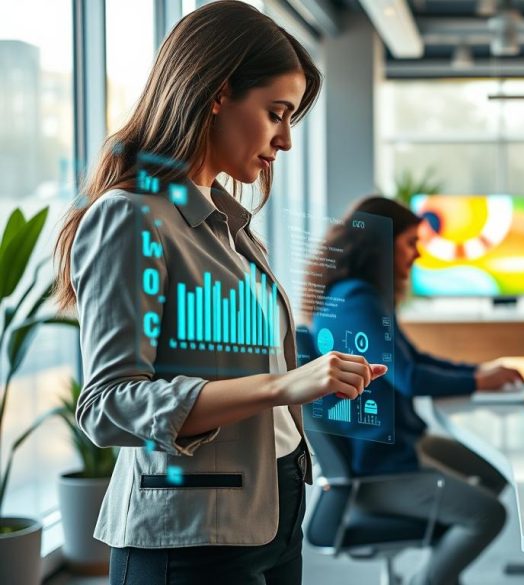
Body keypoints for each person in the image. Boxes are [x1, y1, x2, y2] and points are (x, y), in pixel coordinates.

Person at [53, 4, 385, 583]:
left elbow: (225, 364)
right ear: (216, 93)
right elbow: (108, 406)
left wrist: (318, 373)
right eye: (276, 113)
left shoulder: (227, 227)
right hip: (190, 534)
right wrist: (286, 384)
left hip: (273, 507)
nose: (284, 140)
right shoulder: (130, 219)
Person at [304, 196, 521, 585]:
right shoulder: (357, 302)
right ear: (381, 246)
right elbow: (410, 378)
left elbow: (414, 360)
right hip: (377, 469)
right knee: (489, 514)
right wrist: (477, 381)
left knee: (493, 470)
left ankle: (440, 556)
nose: (417, 254)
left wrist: (479, 372)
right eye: (409, 243)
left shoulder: (361, 297)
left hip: (391, 449)